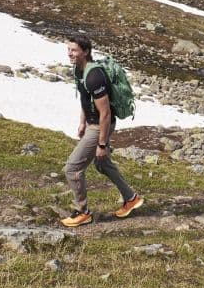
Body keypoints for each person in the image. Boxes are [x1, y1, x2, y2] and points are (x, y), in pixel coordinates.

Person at [60, 34, 143, 227]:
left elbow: (105, 113)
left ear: (85, 52)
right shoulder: (79, 70)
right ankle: (131, 198)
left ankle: (83, 212)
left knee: (72, 168)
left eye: (73, 50)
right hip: (92, 124)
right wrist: (83, 122)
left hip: (100, 126)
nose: (69, 54)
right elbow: (85, 99)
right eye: (68, 50)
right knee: (102, 164)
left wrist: (102, 143)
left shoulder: (94, 76)